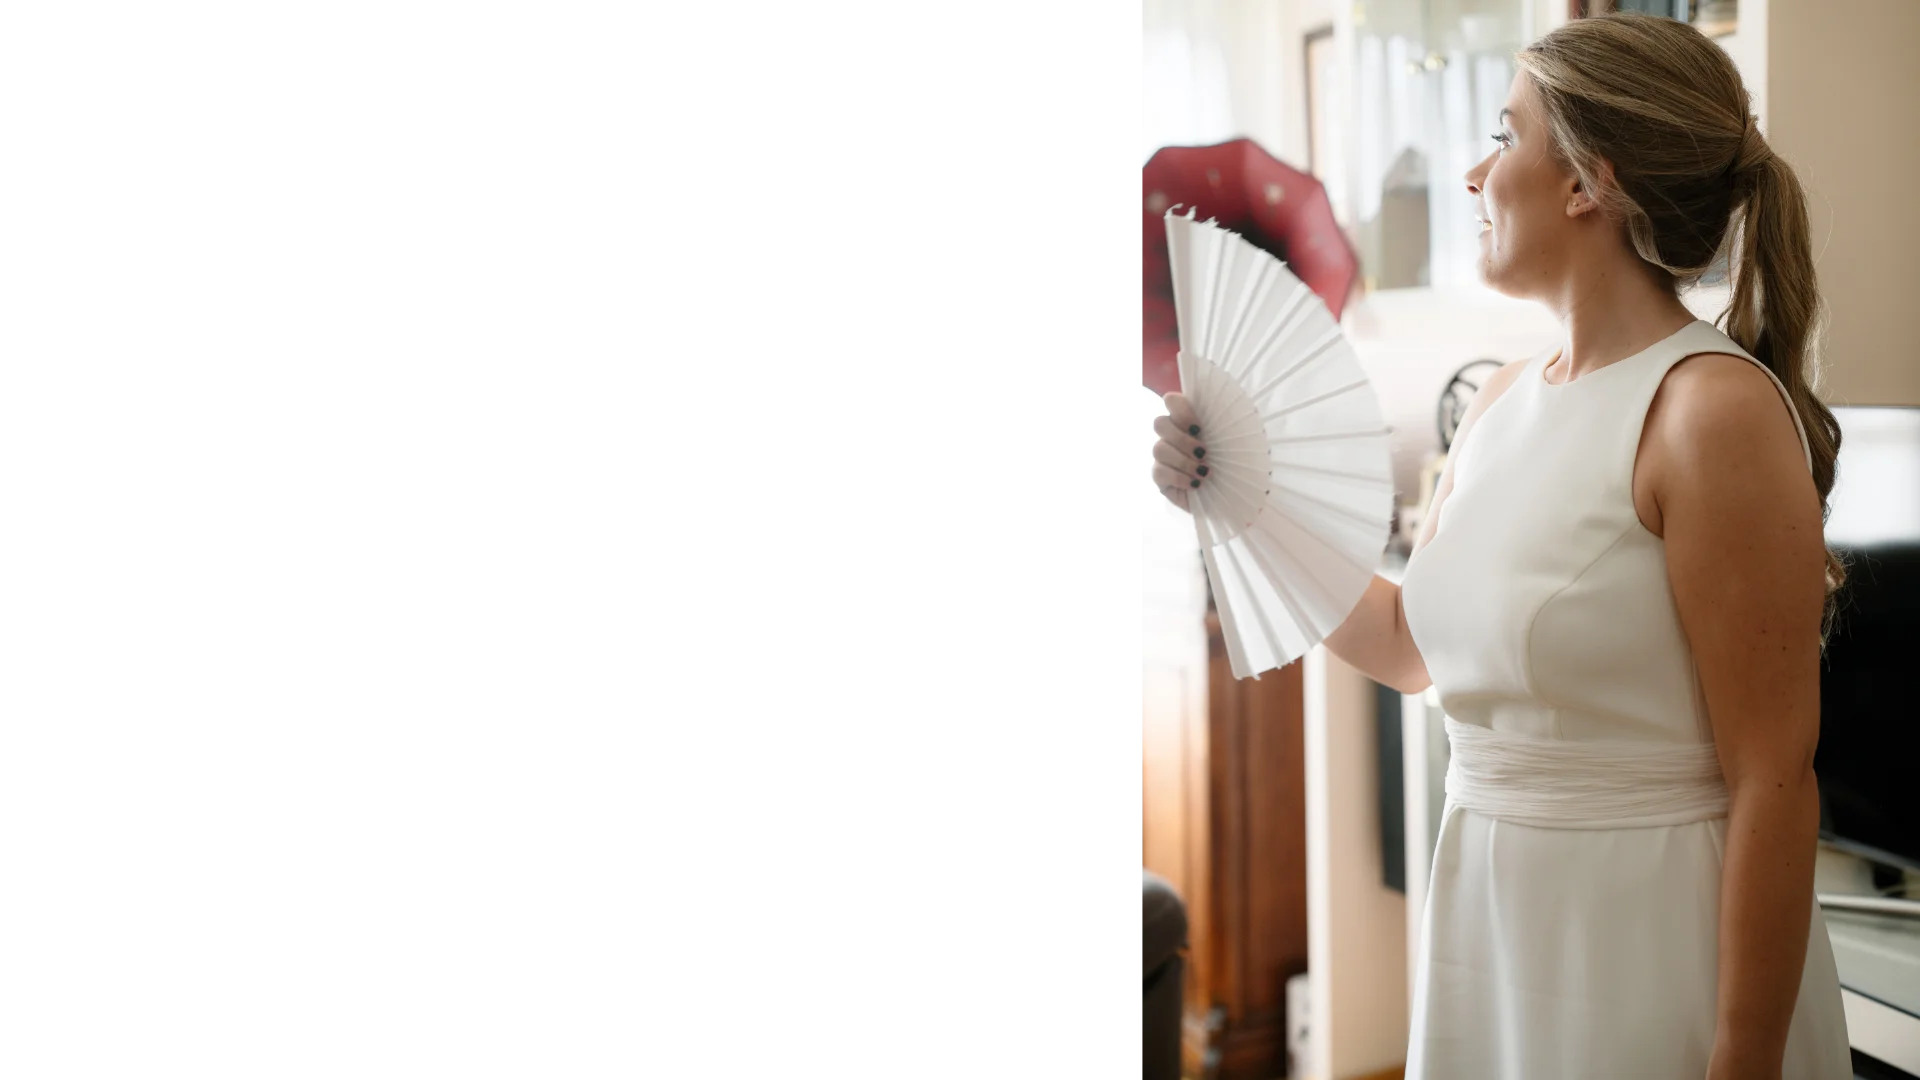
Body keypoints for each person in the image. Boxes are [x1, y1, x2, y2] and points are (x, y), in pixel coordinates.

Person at [1148, 13, 1851, 1079]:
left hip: (1651, 943)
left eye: (1503, 135)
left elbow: (1774, 776)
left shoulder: (1708, 411)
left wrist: (1743, 1054)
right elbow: (1407, 646)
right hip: (1488, 920)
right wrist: (1240, 495)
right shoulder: (1502, 398)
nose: (1473, 173)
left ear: (1587, 185)